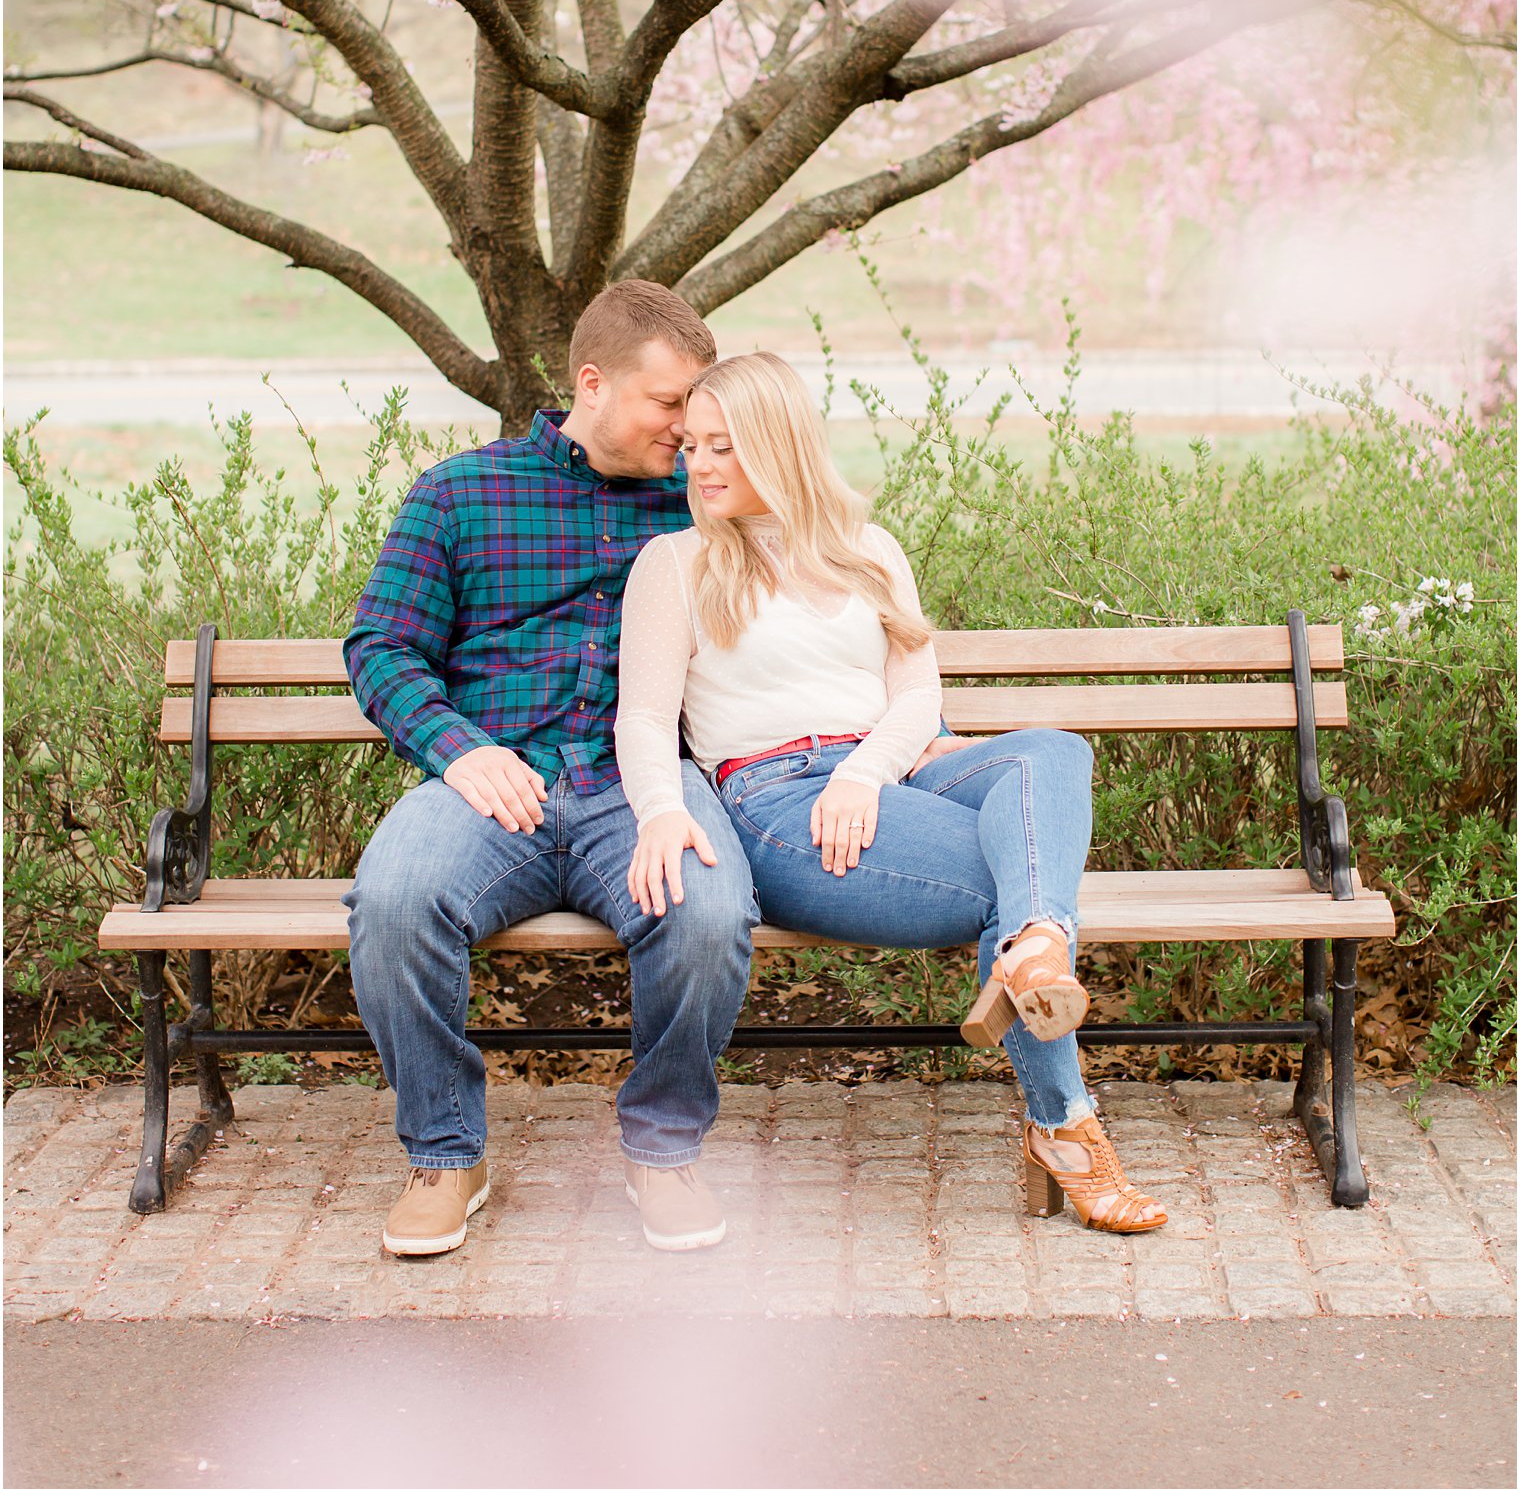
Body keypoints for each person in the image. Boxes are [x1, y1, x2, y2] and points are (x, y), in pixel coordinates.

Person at [615, 351, 1166, 1236]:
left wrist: (865, 769)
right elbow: (642, 719)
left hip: (888, 770)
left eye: (724, 445)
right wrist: (660, 809)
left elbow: (917, 697)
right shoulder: (675, 564)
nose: (700, 465)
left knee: (1052, 754)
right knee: (1011, 887)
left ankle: (1035, 950)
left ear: (780, 443)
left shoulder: (867, 549)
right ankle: (1065, 1120)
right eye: (692, 447)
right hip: (777, 798)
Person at [343, 281, 759, 1260]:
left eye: (698, 405)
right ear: (592, 382)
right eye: (669, 403)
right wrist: (459, 749)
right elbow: (382, 650)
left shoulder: (704, 504)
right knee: (394, 902)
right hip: (497, 782)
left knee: (706, 914)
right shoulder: (461, 494)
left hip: (641, 782)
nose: (689, 424)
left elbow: (815, 597)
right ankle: (446, 1156)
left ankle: (662, 1149)